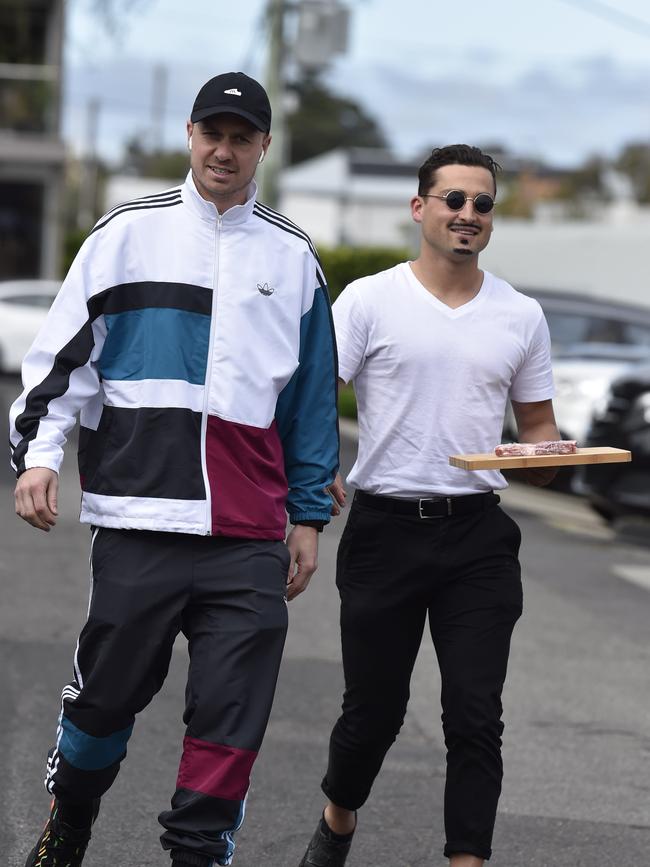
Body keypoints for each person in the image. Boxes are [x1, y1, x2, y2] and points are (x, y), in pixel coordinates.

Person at [10, 71, 339, 867]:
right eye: (212, 133)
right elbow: (60, 364)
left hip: (246, 532)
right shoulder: (124, 235)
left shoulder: (293, 258)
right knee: (104, 703)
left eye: (242, 137)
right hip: (136, 520)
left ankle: (198, 852)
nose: (225, 150)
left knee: (232, 715)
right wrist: (39, 455)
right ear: (190, 135)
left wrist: (306, 515)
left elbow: (311, 403)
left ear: (264, 145)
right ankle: (73, 819)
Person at [299, 144, 559, 867]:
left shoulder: (520, 315)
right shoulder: (369, 301)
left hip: (476, 536)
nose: (468, 214)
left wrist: (547, 459)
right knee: (373, 715)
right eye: (454, 199)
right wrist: (317, 473)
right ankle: (338, 815)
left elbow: (537, 431)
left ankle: (466, 858)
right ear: (420, 208)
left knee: (475, 716)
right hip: (385, 529)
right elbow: (314, 402)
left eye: (482, 204)